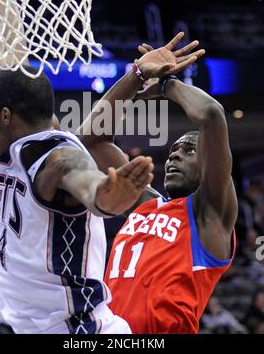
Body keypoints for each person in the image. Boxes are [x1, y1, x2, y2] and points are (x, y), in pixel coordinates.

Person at [0, 0, 155, 334]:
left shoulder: (54, 156)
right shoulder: (29, 141)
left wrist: (106, 195)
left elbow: (79, 176)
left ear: (5, 116)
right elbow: (10, 54)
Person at [80, 36, 238, 334]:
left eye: (189, 150)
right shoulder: (143, 203)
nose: (175, 154)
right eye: (172, 151)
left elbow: (211, 115)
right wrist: (136, 77)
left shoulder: (209, 215)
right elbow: (90, 142)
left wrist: (167, 84)